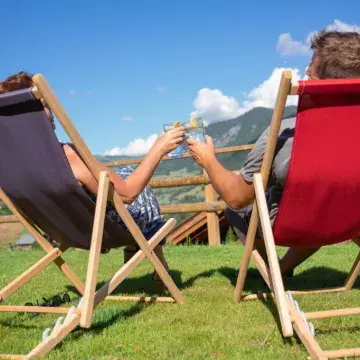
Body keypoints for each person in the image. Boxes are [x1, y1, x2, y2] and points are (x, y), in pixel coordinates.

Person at [187, 30, 360, 277]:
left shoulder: (285, 130)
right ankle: (284, 267)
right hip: (348, 220)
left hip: (297, 223)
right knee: (329, 197)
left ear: (324, 85)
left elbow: (237, 197)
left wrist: (207, 159)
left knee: (237, 210)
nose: (305, 78)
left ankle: (276, 271)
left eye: (309, 74)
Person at [0, 71, 186, 291]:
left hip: (64, 229)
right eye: (46, 105)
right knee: (139, 188)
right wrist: (158, 149)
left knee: (125, 170)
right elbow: (127, 193)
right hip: (104, 230)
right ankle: (146, 251)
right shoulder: (66, 155)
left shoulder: (7, 164)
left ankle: (146, 253)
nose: (50, 113)